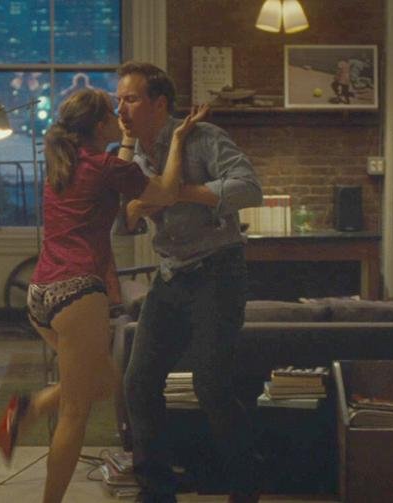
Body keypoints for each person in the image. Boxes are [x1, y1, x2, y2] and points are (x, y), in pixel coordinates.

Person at [0, 88, 210, 503]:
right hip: (78, 292)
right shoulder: (109, 168)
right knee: (75, 413)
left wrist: (125, 141)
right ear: (98, 126)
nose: (120, 117)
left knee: (106, 382)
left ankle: (26, 410)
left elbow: (115, 169)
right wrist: (178, 139)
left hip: (41, 293)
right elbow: (166, 192)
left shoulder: (67, 163)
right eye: (113, 114)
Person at [114, 61, 264, 503]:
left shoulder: (203, 137)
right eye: (119, 99)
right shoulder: (132, 155)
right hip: (170, 275)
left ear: (159, 104)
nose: (121, 109)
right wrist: (134, 208)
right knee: (138, 383)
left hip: (218, 272)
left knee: (211, 387)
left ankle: (245, 489)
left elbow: (249, 189)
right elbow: (125, 223)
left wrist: (176, 192)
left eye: (131, 99)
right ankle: (157, 492)